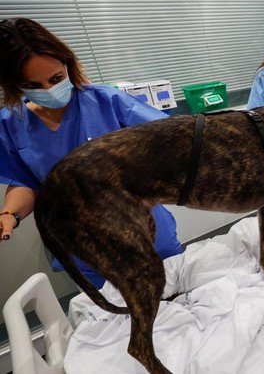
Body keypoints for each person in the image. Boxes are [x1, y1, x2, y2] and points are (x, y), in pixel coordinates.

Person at [0, 17, 183, 288]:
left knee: (180, 300)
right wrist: (9, 215)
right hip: (84, 245)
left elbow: (172, 143)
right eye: (35, 86)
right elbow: (26, 181)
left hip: (147, 231)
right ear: (14, 85)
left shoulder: (108, 101)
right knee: (114, 315)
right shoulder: (10, 124)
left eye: (56, 79)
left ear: (67, 63)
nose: (50, 90)